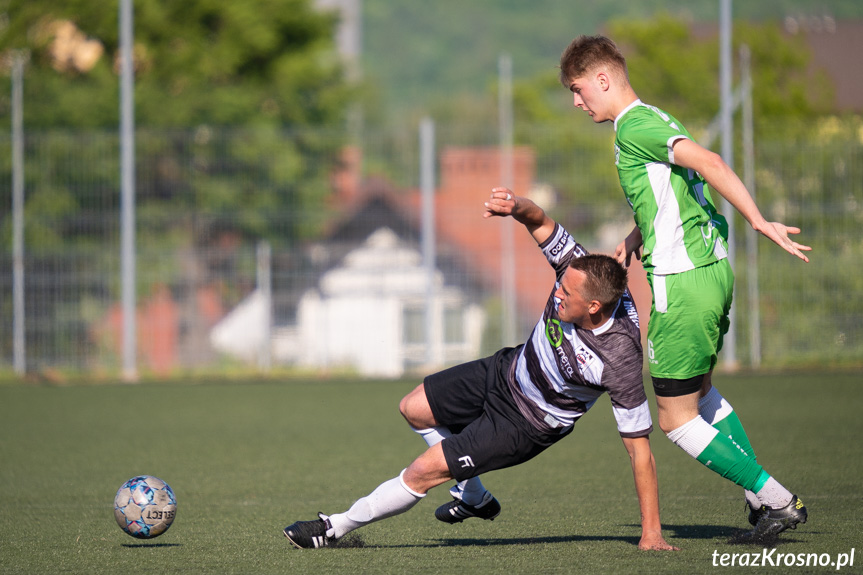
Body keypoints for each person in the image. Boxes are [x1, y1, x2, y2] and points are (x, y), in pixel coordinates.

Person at [283, 191, 678, 551]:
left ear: (593, 308)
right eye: (560, 284)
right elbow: (540, 221)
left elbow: (639, 450)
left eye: (566, 294)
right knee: (413, 407)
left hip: (525, 424)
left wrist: (651, 533)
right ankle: (474, 496)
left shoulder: (620, 359)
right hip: (506, 370)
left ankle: (333, 528)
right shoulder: (578, 270)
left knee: (424, 471)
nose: (557, 292)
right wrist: (515, 205)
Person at [558, 35, 812, 544]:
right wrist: (634, 238)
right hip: (712, 270)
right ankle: (760, 498)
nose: (576, 101)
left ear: (603, 79)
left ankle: (778, 499)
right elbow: (669, 188)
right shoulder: (655, 116)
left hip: (683, 282)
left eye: (579, 89)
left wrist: (759, 221)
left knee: (675, 419)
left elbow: (710, 163)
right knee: (701, 392)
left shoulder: (636, 126)